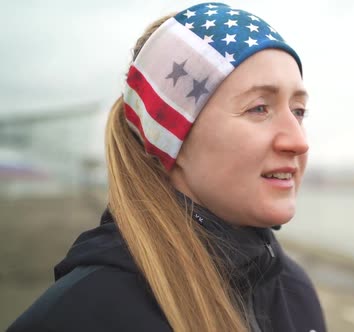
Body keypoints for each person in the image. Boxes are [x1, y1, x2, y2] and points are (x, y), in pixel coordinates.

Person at [8, 3, 326, 332]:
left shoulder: (294, 291)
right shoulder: (83, 314)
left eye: (299, 111)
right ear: (173, 137)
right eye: (259, 108)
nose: (298, 141)